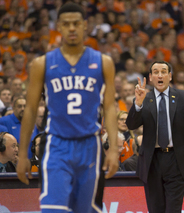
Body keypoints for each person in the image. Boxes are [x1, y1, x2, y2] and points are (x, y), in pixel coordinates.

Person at [16, 2, 119, 213]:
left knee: (86, 210)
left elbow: (109, 108)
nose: (72, 28)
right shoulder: (42, 64)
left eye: (76, 23)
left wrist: (115, 149)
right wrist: (24, 154)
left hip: (90, 145)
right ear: (59, 27)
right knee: (54, 209)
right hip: (57, 145)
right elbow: (31, 110)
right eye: (66, 24)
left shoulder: (103, 62)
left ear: (85, 26)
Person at [126, 61, 184, 213]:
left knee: (173, 209)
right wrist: (138, 103)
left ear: (170, 76)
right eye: (156, 72)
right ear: (150, 77)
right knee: (155, 209)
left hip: (177, 160)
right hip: (152, 161)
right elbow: (131, 125)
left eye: (163, 71)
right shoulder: (144, 98)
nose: (160, 75)